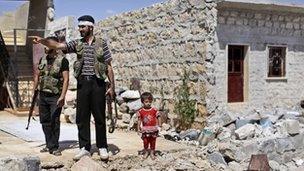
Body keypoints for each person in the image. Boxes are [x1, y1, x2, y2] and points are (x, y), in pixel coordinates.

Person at [29, 15, 115, 161]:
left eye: (83, 27)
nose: (80, 29)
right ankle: (84, 147)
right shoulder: (77, 44)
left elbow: (108, 66)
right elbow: (58, 46)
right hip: (83, 84)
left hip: (98, 84)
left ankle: (102, 147)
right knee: (82, 117)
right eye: (79, 27)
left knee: (99, 117)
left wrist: (112, 86)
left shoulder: (102, 43)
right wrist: (42, 41)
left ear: (90, 27)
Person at [33, 36, 69, 156]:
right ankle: (49, 144)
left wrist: (62, 96)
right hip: (43, 95)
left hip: (55, 96)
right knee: (45, 121)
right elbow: (37, 76)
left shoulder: (62, 60)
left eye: (47, 45)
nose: (44, 47)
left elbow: (66, 79)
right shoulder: (42, 59)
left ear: (54, 46)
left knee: (54, 121)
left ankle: (54, 147)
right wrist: (35, 93)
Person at [137, 92, 161, 160]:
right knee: (145, 141)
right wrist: (138, 128)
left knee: (153, 141)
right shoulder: (141, 111)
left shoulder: (154, 110)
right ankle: (146, 152)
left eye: (150, 101)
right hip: (145, 130)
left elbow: (159, 117)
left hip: (153, 130)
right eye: (146, 102)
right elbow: (139, 120)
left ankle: (152, 152)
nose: (148, 103)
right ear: (142, 102)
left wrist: (160, 126)